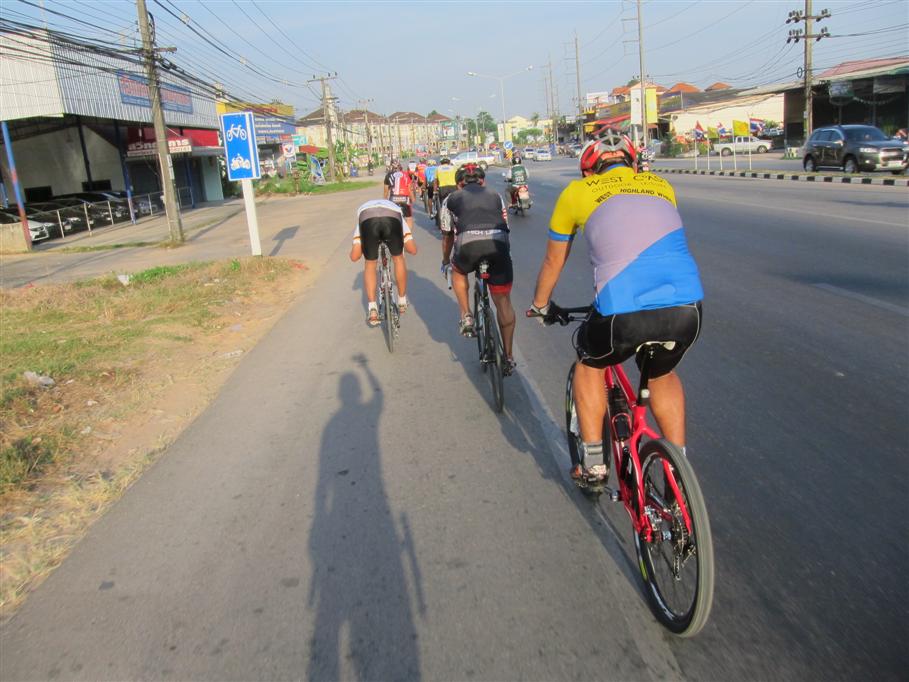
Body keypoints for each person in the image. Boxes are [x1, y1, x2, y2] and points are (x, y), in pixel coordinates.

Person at [529, 129, 704, 484]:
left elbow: (553, 261)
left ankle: (594, 463)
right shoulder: (661, 186)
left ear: (588, 170)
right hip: (688, 308)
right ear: (633, 164)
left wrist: (541, 305)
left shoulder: (576, 193)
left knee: (589, 363)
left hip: (622, 314)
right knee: (661, 373)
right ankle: (679, 472)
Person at [439, 163, 517, 375]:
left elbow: (447, 234)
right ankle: (509, 357)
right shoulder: (496, 195)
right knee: (503, 302)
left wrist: (445, 261)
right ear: (483, 181)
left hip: (468, 247)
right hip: (498, 245)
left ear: (458, 184)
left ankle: (466, 315)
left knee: (458, 270)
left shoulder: (450, 199)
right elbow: (505, 226)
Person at [350, 198, 418, 327]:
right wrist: (404, 240)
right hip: (391, 219)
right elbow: (412, 250)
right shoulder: (397, 212)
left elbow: (354, 257)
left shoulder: (363, 213)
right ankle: (402, 301)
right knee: (398, 258)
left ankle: (372, 309)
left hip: (368, 220)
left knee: (370, 263)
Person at [383, 162, 415, 231]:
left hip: (393, 199)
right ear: (401, 168)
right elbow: (410, 190)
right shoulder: (406, 175)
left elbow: (386, 192)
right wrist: (413, 199)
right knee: (409, 218)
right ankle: (408, 234)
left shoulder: (388, 175)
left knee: (392, 218)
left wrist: (385, 202)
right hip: (405, 199)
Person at [433, 157, 458, 228]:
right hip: (453, 187)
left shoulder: (438, 169)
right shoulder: (453, 168)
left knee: (443, 205)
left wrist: (435, 191)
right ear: (449, 162)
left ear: (441, 163)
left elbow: (435, 181)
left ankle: (444, 220)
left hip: (442, 188)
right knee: (456, 204)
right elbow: (457, 178)